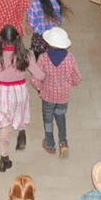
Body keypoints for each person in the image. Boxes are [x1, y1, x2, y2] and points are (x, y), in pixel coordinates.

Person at [0, 25, 44, 172]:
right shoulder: (25, 55)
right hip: (20, 92)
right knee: (21, 113)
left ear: (0, 39)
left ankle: (4, 158)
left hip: (4, 93)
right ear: (18, 38)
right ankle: (21, 132)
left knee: (6, 126)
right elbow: (40, 75)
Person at [32, 27, 81, 158]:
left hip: (47, 96)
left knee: (48, 120)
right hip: (63, 96)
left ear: (49, 43)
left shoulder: (43, 58)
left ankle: (50, 144)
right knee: (61, 117)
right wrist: (69, 83)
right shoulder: (70, 58)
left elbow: (35, 78)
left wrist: (39, 89)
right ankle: (63, 142)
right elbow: (77, 78)